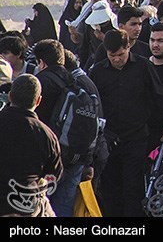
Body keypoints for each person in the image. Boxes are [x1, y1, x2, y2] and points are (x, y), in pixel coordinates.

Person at [89, 30, 163, 217]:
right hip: (108, 140)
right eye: (112, 56)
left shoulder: (143, 66)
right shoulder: (97, 72)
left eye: (120, 54)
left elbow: (159, 96)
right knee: (110, 189)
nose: (117, 59)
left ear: (128, 47)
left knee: (133, 188)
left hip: (136, 138)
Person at [32, 40, 90, 217]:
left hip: (48, 156)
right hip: (74, 154)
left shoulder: (41, 82)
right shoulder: (76, 80)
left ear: (41, 62)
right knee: (65, 205)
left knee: (40, 206)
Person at [0, 74, 62, 217]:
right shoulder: (47, 136)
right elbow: (53, 176)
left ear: (10, 96)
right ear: (38, 101)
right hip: (25, 206)